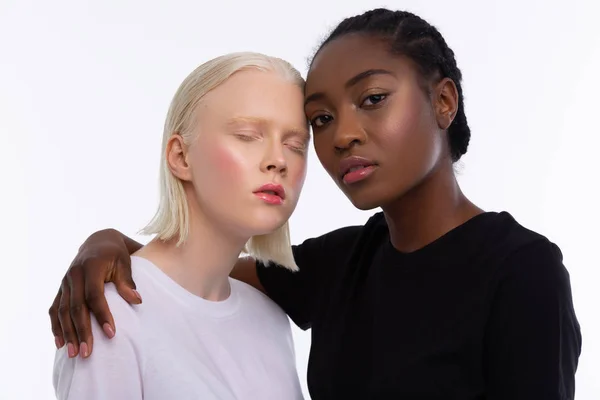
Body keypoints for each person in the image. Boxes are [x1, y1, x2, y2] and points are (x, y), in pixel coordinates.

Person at [49, 8, 582, 400]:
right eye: (322, 119)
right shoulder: (341, 264)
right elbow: (189, 281)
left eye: (373, 99)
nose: (344, 135)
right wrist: (108, 244)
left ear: (443, 101)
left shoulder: (521, 271)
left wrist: (109, 245)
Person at [52, 52, 309, 400]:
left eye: (295, 145)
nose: (278, 160)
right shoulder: (112, 316)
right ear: (180, 156)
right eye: (248, 135)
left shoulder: (270, 317)